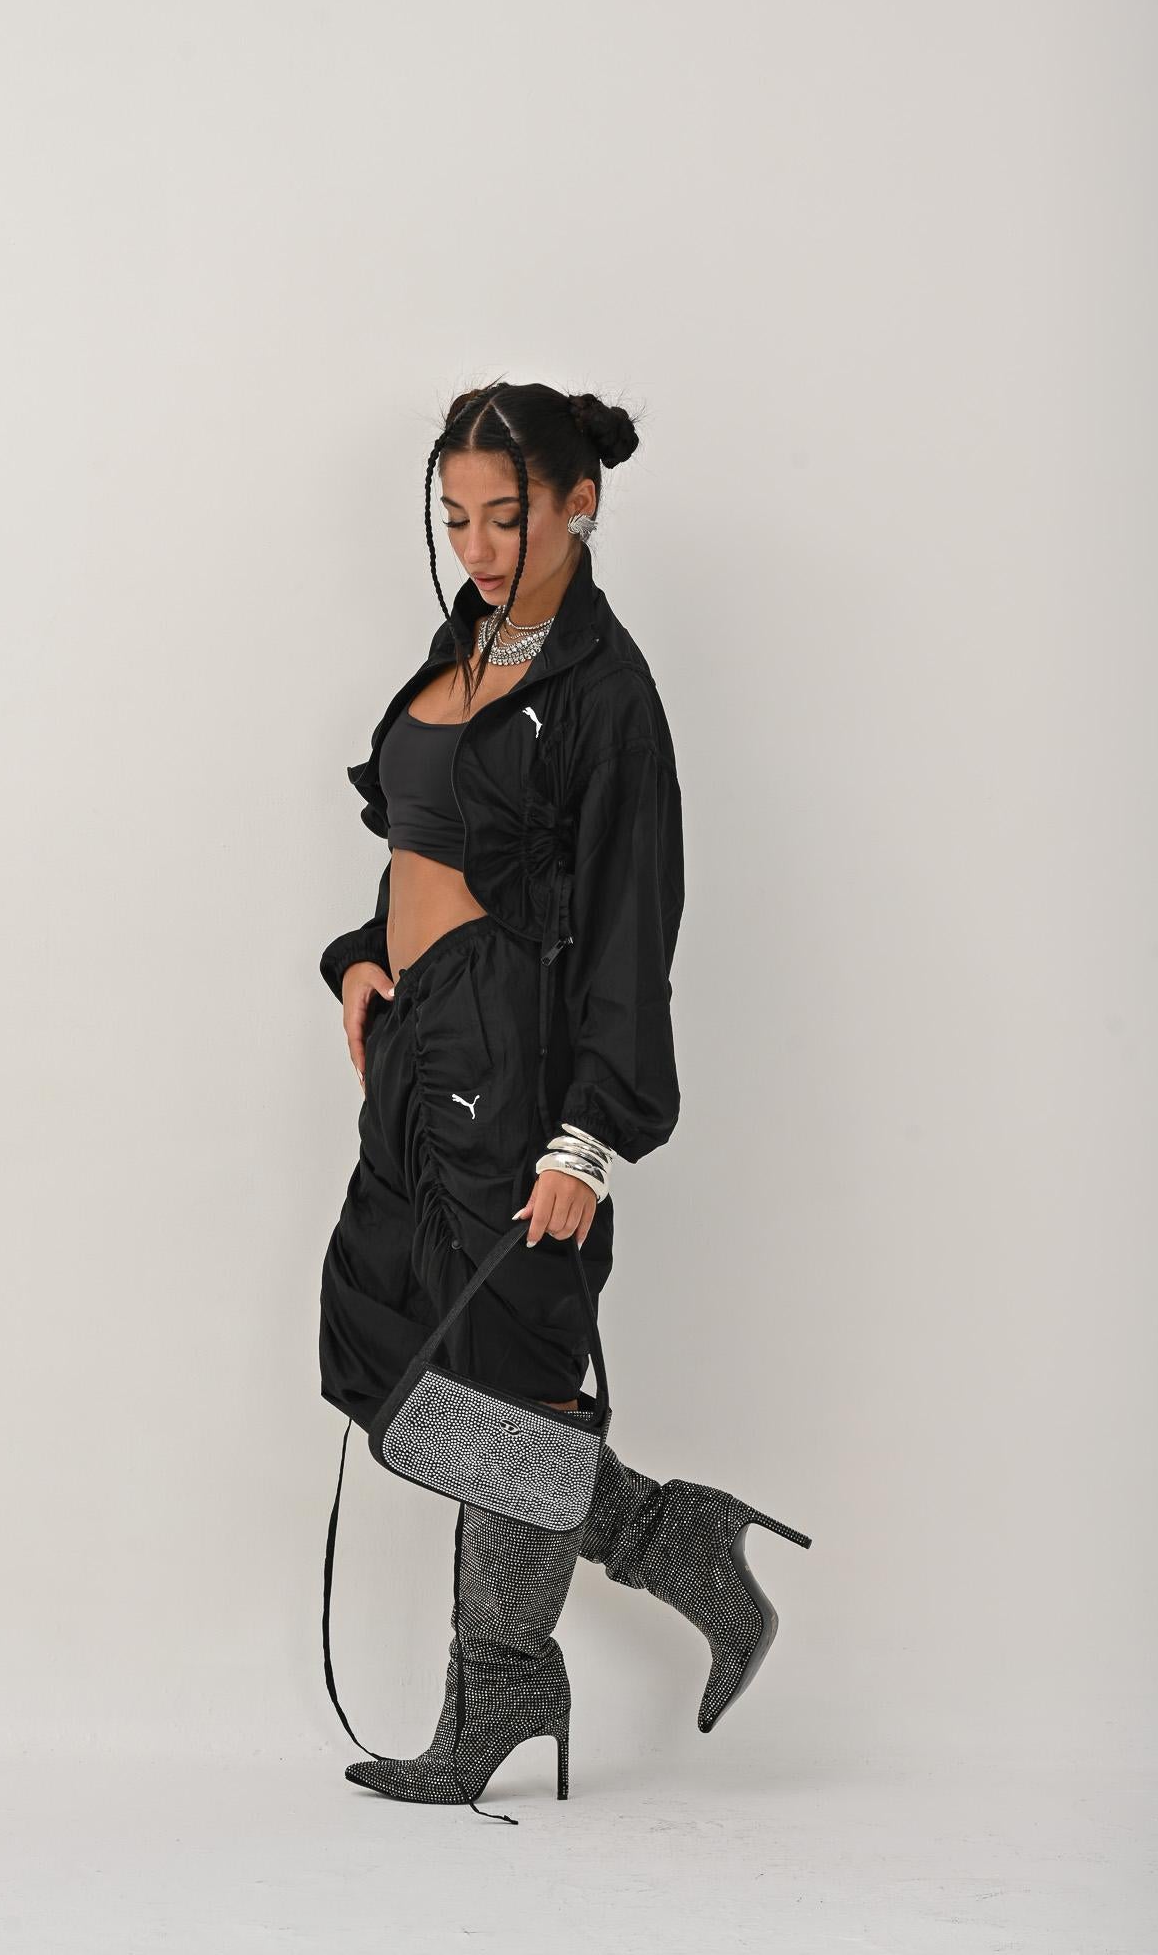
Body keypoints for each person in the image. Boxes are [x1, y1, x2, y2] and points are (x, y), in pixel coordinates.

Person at [317, 379, 811, 1815]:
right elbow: (424, 831)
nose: (477, 546)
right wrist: (363, 957)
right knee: (386, 1348)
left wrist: (588, 1136)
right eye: (453, 518)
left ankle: (500, 1688)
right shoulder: (469, 638)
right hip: (418, 1042)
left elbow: (632, 925)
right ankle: (675, 1542)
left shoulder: (607, 695)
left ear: (578, 505)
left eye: (506, 516)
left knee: (510, 1375)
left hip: (520, 1064)